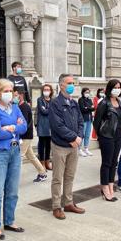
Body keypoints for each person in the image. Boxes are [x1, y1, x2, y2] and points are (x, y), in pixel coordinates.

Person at [0, 79, 27, 240]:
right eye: (6, 91)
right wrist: (14, 128)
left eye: (11, 90)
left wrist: (10, 128)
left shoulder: (15, 108)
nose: (10, 93)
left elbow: (24, 127)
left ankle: (9, 221)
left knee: (12, 190)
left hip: (15, 151)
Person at [49, 74, 84, 220]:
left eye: (73, 83)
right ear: (61, 85)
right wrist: (72, 138)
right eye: (69, 83)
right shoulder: (55, 103)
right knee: (58, 178)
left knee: (70, 176)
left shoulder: (74, 103)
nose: (72, 85)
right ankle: (57, 206)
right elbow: (57, 125)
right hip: (60, 146)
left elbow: (81, 121)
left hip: (74, 146)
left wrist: (79, 137)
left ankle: (68, 202)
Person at [93, 79, 121, 202]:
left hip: (118, 136)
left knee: (114, 163)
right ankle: (104, 187)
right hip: (107, 136)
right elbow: (96, 122)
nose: (117, 89)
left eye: (119, 87)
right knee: (106, 163)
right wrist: (101, 136)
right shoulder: (104, 103)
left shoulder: (119, 102)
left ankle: (111, 185)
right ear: (109, 88)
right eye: (115, 87)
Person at [14, 89, 47, 182]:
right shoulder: (18, 106)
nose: (14, 97)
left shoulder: (24, 107)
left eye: (15, 95)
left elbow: (24, 122)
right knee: (31, 156)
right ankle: (43, 173)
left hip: (25, 135)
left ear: (21, 95)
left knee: (18, 156)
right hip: (24, 135)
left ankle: (14, 180)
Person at [36, 84, 53, 170]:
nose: (46, 91)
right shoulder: (40, 100)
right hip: (42, 125)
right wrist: (50, 109)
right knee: (42, 145)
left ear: (51, 91)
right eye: (45, 89)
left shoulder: (53, 100)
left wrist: (48, 109)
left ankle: (47, 162)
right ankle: (41, 163)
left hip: (51, 126)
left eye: (48, 89)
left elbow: (52, 111)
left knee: (48, 145)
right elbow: (43, 112)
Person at [78, 87, 94, 157]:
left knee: (87, 135)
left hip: (89, 119)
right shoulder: (80, 100)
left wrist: (88, 108)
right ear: (83, 92)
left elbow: (93, 108)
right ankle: (79, 149)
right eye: (86, 92)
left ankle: (86, 148)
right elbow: (82, 109)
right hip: (83, 119)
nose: (87, 94)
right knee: (82, 134)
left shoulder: (90, 100)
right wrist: (89, 108)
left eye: (88, 92)